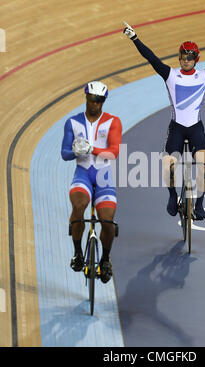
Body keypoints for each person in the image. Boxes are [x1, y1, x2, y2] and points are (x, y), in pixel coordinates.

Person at [123, 22, 205, 220]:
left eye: (190, 57)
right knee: (168, 163)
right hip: (176, 128)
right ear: (179, 58)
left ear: (196, 59)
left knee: (203, 162)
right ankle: (172, 196)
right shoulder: (170, 75)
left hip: (195, 128)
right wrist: (134, 38)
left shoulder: (204, 75)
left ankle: (200, 203)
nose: (185, 61)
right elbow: (150, 57)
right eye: (183, 57)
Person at [61, 81, 122, 283]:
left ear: (103, 101)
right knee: (78, 207)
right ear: (86, 98)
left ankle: (105, 259)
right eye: (91, 99)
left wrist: (91, 149)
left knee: (108, 220)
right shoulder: (72, 122)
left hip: (103, 176)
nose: (94, 104)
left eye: (98, 101)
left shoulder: (113, 121)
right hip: (83, 174)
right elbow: (64, 153)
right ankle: (78, 253)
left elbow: (113, 153)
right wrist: (76, 152)